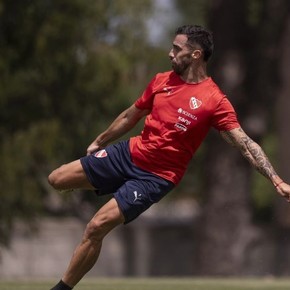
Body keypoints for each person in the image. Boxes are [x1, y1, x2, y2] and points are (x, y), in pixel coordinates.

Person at [48, 24, 290, 290]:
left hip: (155, 178)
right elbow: (131, 114)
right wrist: (99, 141)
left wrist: (275, 180)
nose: (170, 53)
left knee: (96, 226)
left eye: (177, 48)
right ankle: (117, 186)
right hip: (128, 153)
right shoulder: (162, 80)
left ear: (196, 54)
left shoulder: (214, 100)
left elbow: (245, 144)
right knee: (56, 178)